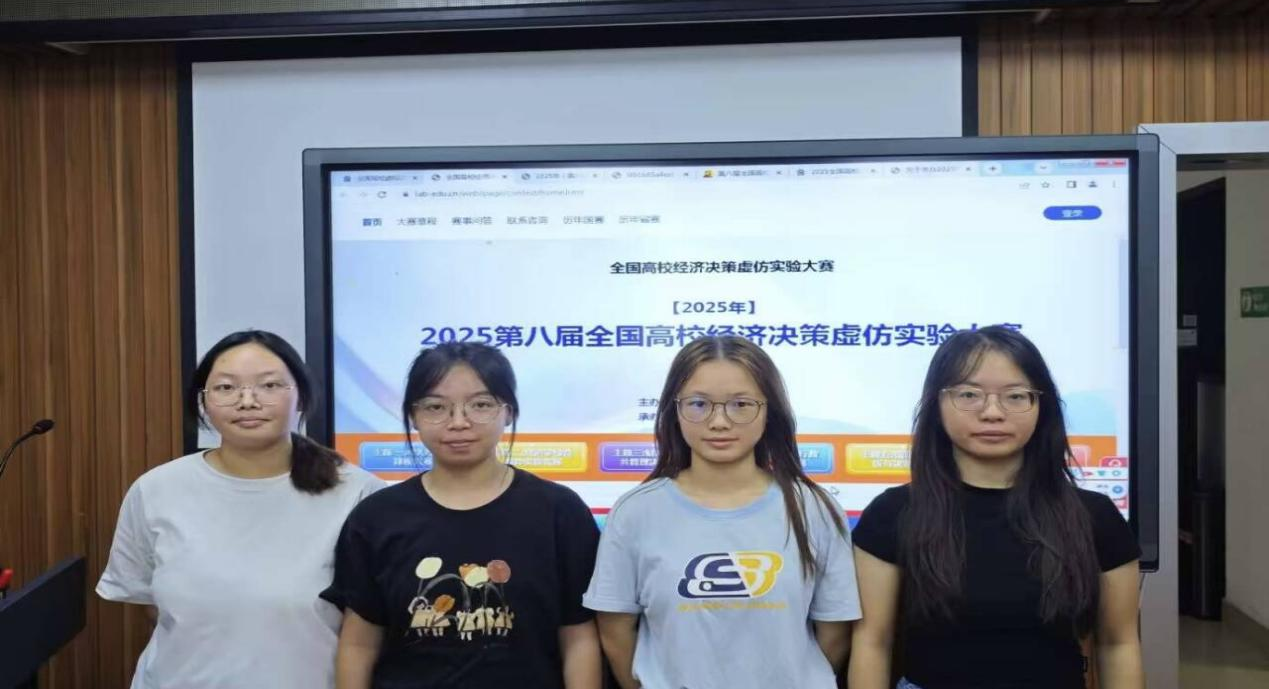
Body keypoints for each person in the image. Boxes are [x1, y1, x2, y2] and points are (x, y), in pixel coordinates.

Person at [849, 325, 1143, 689]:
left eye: (1015, 396)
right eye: (969, 394)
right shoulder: (891, 514)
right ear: (936, 404)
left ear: (1042, 406)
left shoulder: (1096, 517)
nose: (992, 412)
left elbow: (1118, 644)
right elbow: (872, 642)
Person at [97, 329, 385, 689]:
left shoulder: (358, 493)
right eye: (226, 387)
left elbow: (371, 628)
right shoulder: (156, 489)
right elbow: (152, 605)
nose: (247, 401)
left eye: (269, 385)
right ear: (203, 401)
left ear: (301, 395)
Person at [584, 335, 860, 689]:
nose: (719, 422)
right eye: (699, 404)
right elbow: (616, 630)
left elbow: (834, 631)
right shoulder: (635, 511)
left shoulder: (814, 508)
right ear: (674, 411)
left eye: (741, 404)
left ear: (769, 411)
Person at [322, 342, 602, 689]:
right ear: (412, 416)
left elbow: (578, 637)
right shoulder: (376, 517)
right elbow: (359, 644)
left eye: (480, 405)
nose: (458, 422)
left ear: (509, 412)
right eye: (436, 407)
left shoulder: (559, 511)